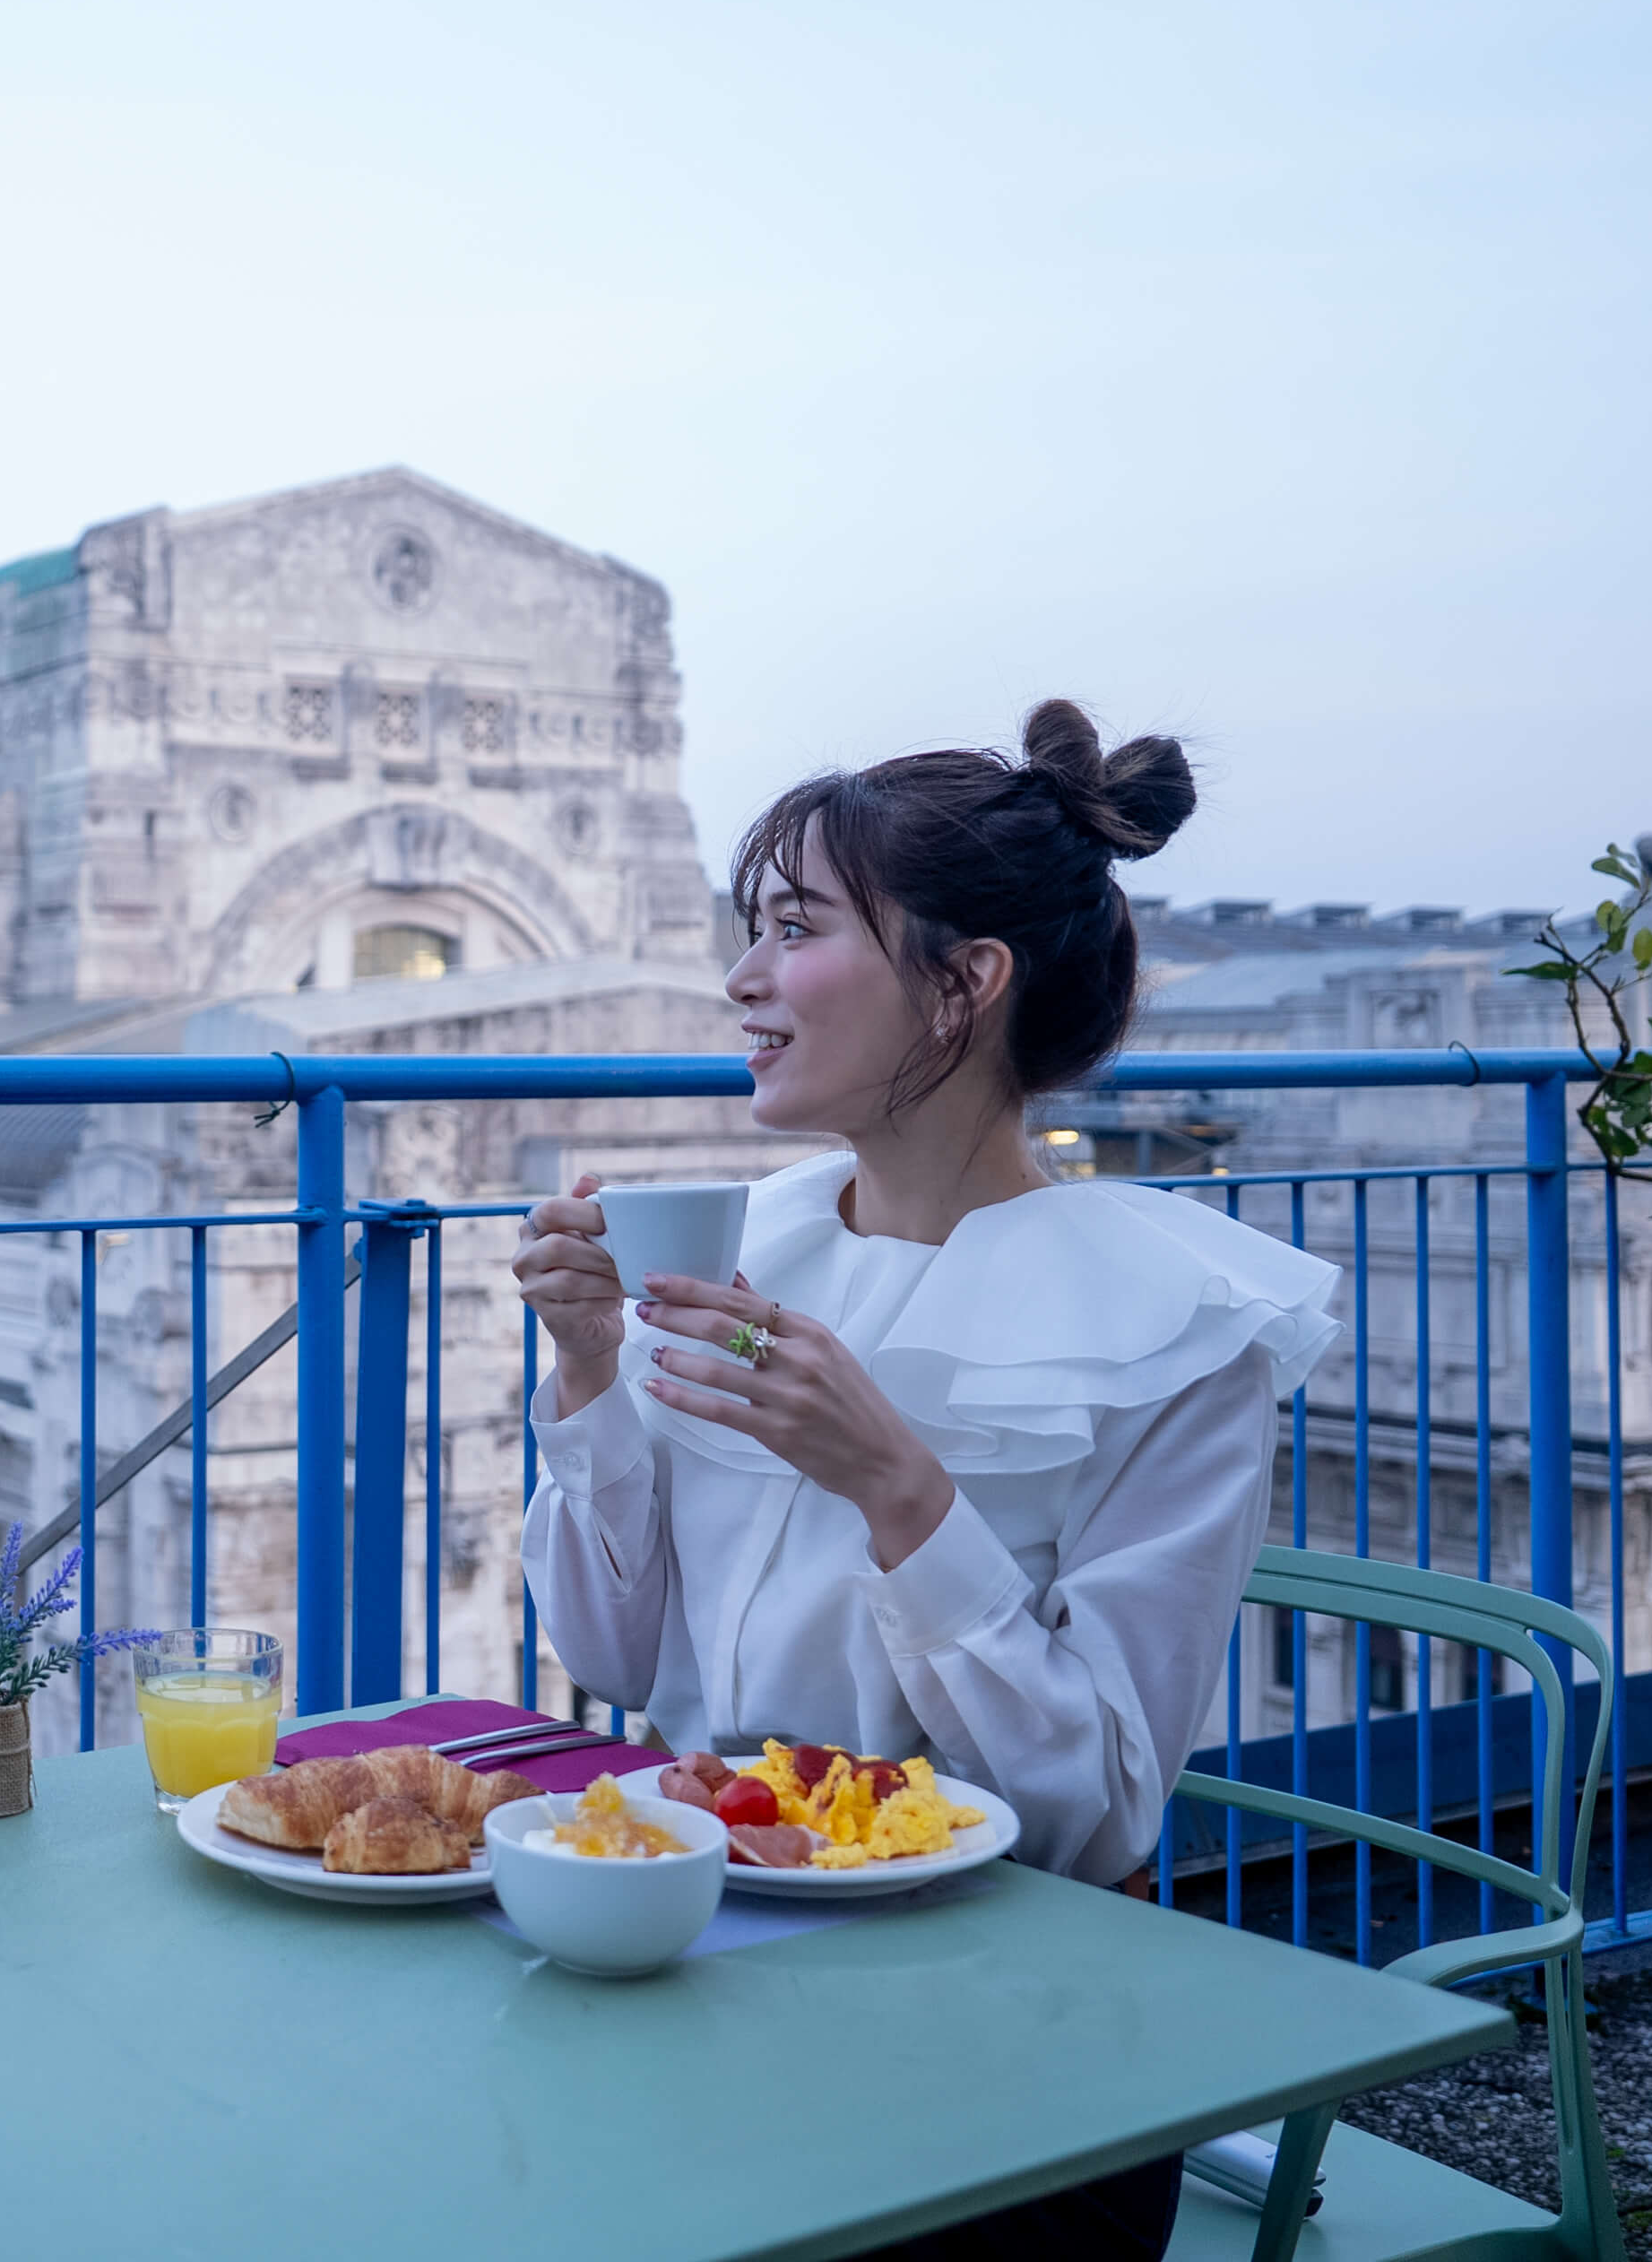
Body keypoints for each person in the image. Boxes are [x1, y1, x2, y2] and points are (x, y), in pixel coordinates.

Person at [515, 702, 1335, 2262]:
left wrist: (901, 1488)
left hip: (1015, 2052)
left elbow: (1093, 1817)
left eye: (798, 931)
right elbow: (612, 1664)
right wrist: (587, 1373)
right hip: (706, 1935)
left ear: (964, 985)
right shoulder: (751, 1242)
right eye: (751, 931)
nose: (743, 979)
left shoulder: (1177, 1333)